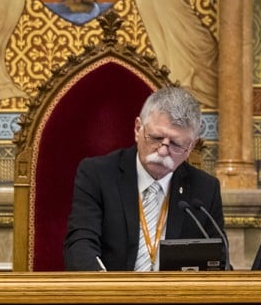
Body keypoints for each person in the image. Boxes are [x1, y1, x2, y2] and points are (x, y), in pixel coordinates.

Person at [63, 86, 224, 271]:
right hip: (111, 287)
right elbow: (80, 245)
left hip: (175, 290)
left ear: (190, 147)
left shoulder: (205, 189)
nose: (163, 151)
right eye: (156, 138)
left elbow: (219, 261)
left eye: (175, 144)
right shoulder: (97, 174)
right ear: (138, 128)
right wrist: (103, 285)